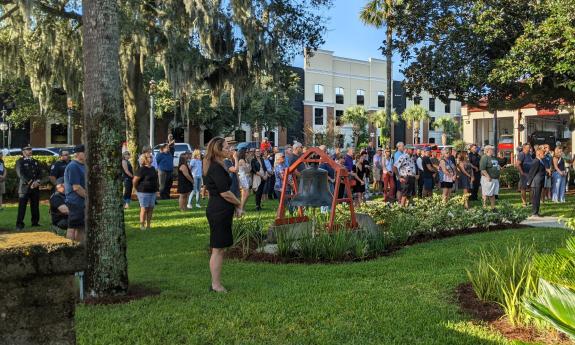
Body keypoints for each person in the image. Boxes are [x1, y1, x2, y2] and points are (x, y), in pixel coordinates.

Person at [203, 137, 242, 293]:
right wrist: (239, 203)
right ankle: (216, 285)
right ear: (218, 149)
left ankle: (216, 283)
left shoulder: (219, 165)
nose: (229, 150)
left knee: (219, 248)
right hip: (218, 209)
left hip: (221, 209)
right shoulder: (215, 167)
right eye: (226, 147)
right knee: (218, 249)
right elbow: (224, 192)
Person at [16, 145, 42, 230]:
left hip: (35, 187)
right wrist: (30, 182)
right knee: (22, 207)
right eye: (28, 150)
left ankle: (35, 222)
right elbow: (20, 174)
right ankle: (19, 224)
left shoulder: (35, 161)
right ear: (23, 152)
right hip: (24, 188)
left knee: (35, 206)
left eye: (30, 149)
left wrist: (37, 181)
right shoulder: (20, 161)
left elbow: (39, 173)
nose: (30, 151)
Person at [64, 144, 86, 242]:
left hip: (82, 202)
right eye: (84, 152)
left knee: (81, 227)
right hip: (75, 202)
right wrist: (90, 198)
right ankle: (69, 249)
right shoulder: (73, 166)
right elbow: (76, 187)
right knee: (72, 228)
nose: (87, 154)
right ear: (77, 154)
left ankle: (79, 249)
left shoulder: (84, 165)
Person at [133, 153, 159, 230]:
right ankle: (142, 225)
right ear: (145, 159)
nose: (151, 158)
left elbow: (155, 180)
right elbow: (135, 180)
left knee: (151, 208)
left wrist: (157, 190)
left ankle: (148, 225)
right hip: (143, 192)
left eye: (151, 157)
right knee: (144, 208)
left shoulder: (153, 168)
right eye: (149, 157)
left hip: (152, 191)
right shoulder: (141, 169)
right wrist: (135, 188)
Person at [527, 147, 547, 217]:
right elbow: (532, 172)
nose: (544, 154)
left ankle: (536, 212)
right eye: (543, 153)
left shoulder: (541, 161)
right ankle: (534, 213)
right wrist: (528, 182)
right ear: (538, 154)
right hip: (536, 183)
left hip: (539, 182)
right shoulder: (536, 161)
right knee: (535, 198)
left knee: (537, 197)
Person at [479, 145, 500, 209]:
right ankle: (484, 206)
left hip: (495, 179)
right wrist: (488, 176)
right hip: (487, 179)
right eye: (492, 149)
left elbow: (496, 166)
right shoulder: (484, 157)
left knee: (493, 194)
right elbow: (482, 169)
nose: (493, 151)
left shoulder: (494, 158)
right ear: (487, 150)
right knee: (485, 193)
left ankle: (493, 207)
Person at [237, 149, 251, 213]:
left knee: (245, 194)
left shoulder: (246, 160)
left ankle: (242, 207)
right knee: (246, 193)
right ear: (243, 153)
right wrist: (249, 166)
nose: (248, 153)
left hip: (246, 177)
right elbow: (247, 170)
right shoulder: (242, 160)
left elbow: (249, 169)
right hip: (243, 177)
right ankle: (241, 208)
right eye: (247, 152)